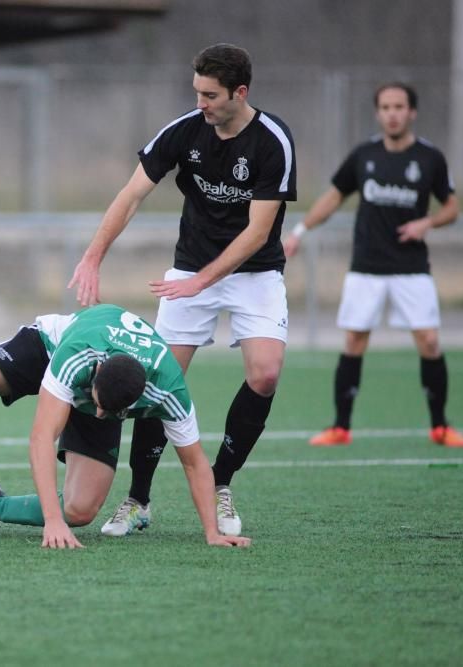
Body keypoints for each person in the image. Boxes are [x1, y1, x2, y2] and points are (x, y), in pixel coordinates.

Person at [68, 43, 296, 538]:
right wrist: (93, 255)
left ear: (240, 92)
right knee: (154, 380)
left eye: (210, 95)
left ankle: (221, 483)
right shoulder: (184, 131)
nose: (200, 103)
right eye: (196, 92)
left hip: (253, 274)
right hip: (190, 272)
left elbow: (258, 232)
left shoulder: (272, 141)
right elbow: (131, 195)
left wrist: (203, 280)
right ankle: (138, 500)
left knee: (266, 375)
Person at [0, 304, 251, 549]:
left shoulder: (168, 390)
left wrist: (212, 532)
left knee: (80, 510)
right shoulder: (76, 358)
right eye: (96, 405)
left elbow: (196, 463)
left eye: (110, 415)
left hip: (107, 382)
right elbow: (42, 437)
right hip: (47, 346)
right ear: (94, 376)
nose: (97, 417)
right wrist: (50, 522)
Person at [283, 82, 463, 448]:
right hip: (366, 265)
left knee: (429, 341)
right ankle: (340, 427)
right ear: (378, 112)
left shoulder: (430, 158)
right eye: (385, 107)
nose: (392, 113)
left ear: (411, 112)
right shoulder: (364, 155)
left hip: (411, 267)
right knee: (354, 340)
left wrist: (427, 223)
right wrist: (301, 230)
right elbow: (334, 196)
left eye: (399, 106)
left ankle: (440, 427)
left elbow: (452, 207)